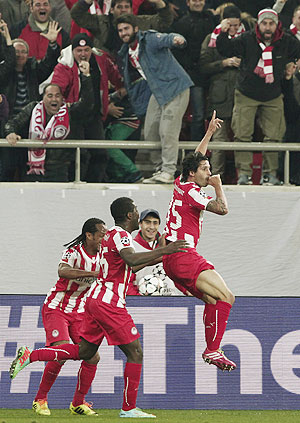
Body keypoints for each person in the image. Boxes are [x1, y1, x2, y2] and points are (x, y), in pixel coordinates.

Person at [9, 197, 189, 418]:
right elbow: (131, 260)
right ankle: (128, 408)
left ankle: (32, 355)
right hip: (109, 303)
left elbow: (130, 266)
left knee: (86, 353)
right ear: (130, 215)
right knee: (136, 353)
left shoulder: (111, 236)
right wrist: (166, 250)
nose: (138, 212)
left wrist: (162, 253)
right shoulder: (121, 236)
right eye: (136, 209)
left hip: (92, 301)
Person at [162, 111, 236, 372]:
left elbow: (195, 158)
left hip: (171, 259)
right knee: (227, 297)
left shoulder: (182, 183)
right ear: (194, 174)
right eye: (205, 169)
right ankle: (212, 349)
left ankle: (212, 350)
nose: (209, 171)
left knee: (214, 301)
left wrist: (208, 134)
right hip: (183, 254)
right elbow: (222, 209)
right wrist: (218, 186)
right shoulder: (194, 192)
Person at [216, 8, 300, 185]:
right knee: (242, 134)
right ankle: (244, 174)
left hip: (273, 94)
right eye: (264, 23)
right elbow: (225, 48)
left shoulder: (286, 40)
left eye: (271, 24)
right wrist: (222, 32)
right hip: (246, 93)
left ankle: (270, 175)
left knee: (274, 136)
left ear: (277, 25)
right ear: (258, 24)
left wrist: (294, 64)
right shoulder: (247, 38)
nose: (268, 28)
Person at [32, 218, 107, 416]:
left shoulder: (103, 255)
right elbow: (62, 270)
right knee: (61, 352)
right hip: (56, 307)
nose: (103, 238)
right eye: (100, 234)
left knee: (92, 356)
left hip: (80, 310)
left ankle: (78, 403)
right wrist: (92, 273)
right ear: (89, 235)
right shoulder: (74, 251)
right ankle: (40, 400)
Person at [117, 14, 193, 184]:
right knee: (150, 131)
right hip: (157, 93)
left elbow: (168, 38)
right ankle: (160, 169)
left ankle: (168, 170)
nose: (123, 33)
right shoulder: (125, 53)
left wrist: (177, 39)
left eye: (126, 29)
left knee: (167, 131)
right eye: (120, 30)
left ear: (135, 29)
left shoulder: (149, 39)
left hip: (175, 87)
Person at [51, 33, 123, 182]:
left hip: (95, 115)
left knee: (100, 155)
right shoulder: (65, 65)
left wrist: (123, 87)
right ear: (72, 51)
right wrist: (64, 106)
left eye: (86, 50)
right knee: (78, 155)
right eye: (79, 50)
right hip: (74, 117)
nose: (83, 54)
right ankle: (74, 186)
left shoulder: (101, 60)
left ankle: (93, 186)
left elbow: (116, 76)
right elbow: (56, 89)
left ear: (91, 50)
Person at [4, 71, 93, 182]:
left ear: (62, 99)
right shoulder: (32, 108)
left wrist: (86, 77)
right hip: (32, 169)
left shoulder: (69, 112)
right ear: (43, 98)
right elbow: (12, 123)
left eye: (57, 96)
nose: (54, 99)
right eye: (50, 96)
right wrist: (10, 132)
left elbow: (87, 104)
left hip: (59, 169)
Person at [199, 5, 243, 182]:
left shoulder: (247, 38)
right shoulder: (211, 38)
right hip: (219, 98)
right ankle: (215, 177)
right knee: (218, 141)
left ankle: (243, 177)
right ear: (223, 22)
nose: (233, 28)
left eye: (236, 25)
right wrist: (224, 63)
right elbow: (203, 67)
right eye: (229, 25)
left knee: (242, 139)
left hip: (242, 97)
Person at [171, 0, 217, 142]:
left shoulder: (212, 20)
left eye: (200, 0)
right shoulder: (181, 23)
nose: (198, 3)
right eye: (194, 0)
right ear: (188, 2)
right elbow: (176, 51)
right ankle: (196, 150)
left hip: (211, 74)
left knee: (209, 115)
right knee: (197, 115)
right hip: (190, 75)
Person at [70, 0, 174, 57]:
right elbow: (77, 15)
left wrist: (160, 3)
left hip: (137, 70)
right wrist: (86, 2)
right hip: (109, 69)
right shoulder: (101, 22)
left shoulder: (142, 22)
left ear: (132, 9)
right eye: (119, 7)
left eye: (126, 7)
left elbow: (164, 21)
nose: (123, 10)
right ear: (111, 10)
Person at [131, 208, 187, 295]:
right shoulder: (131, 247)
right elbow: (127, 276)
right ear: (140, 224)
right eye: (147, 222)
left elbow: (177, 272)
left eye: (155, 223)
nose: (151, 227)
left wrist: (187, 290)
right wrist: (136, 297)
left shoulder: (168, 245)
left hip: (170, 298)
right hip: (142, 300)